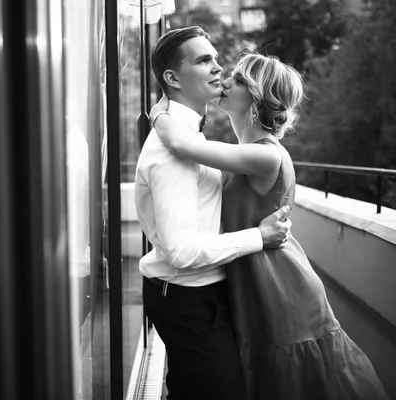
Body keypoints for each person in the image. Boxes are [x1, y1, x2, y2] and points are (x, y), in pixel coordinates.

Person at [150, 52, 387, 399]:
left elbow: (181, 144)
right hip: (255, 278)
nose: (225, 82)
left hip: (278, 287)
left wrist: (160, 109)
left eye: (241, 80)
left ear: (260, 97)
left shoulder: (266, 155)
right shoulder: (247, 150)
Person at [134, 26, 292, 400]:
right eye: (205, 60)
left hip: (209, 292)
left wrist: (159, 115)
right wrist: (259, 237)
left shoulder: (192, 141)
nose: (218, 68)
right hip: (190, 297)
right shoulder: (173, 152)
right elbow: (183, 253)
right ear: (173, 78)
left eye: (217, 59)